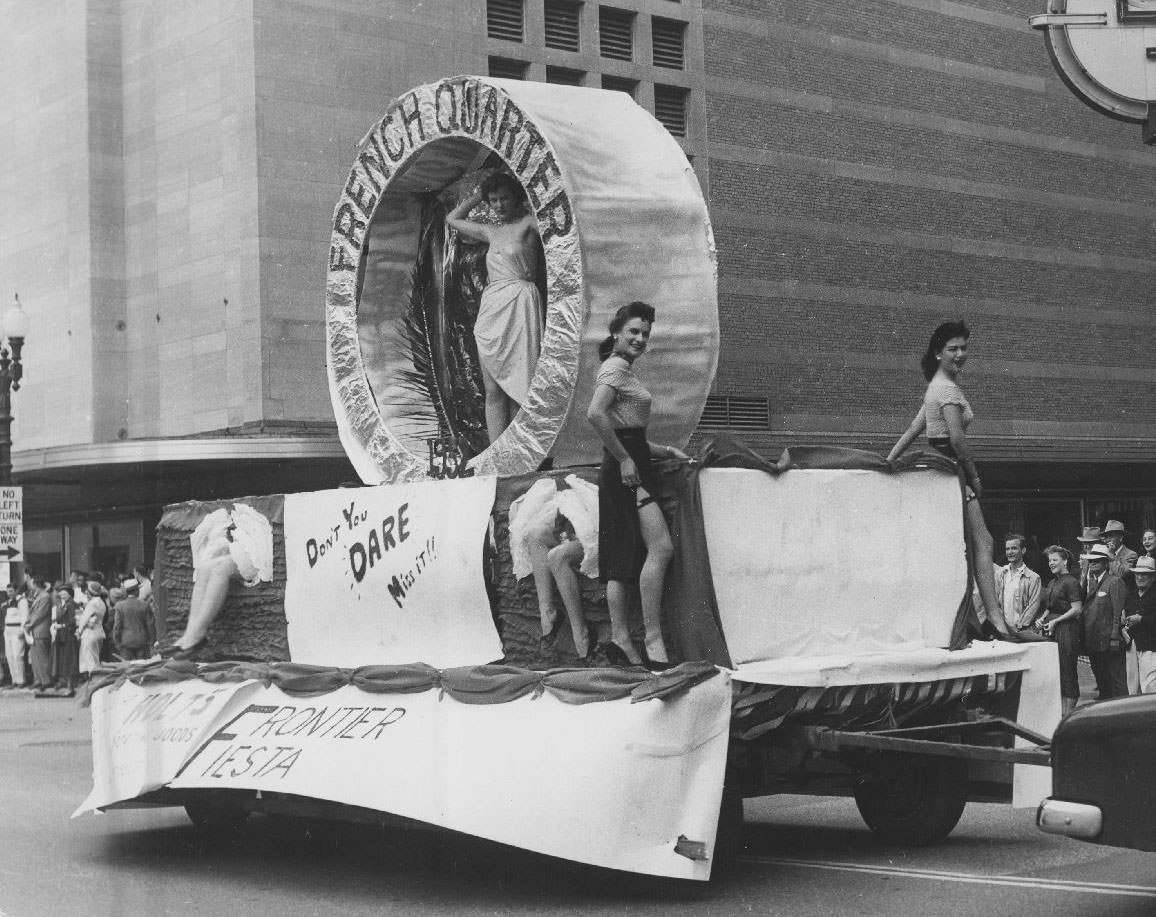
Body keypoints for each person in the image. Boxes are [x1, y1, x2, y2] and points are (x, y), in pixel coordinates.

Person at [885, 320, 1017, 638]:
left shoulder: (937, 386)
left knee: (964, 546)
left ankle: (983, 618)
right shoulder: (946, 389)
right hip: (952, 468)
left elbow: (914, 428)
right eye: (952, 349)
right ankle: (995, 619)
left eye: (964, 348)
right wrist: (975, 479)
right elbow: (957, 440)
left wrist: (888, 460)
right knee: (983, 542)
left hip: (944, 471)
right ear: (938, 353)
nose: (960, 354)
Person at [586, 301, 688, 668]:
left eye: (645, 333)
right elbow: (595, 414)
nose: (640, 338)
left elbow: (627, 430)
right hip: (625, 469)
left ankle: (621, 639)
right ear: (616, 333)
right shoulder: (614, 367)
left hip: (630, 463)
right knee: (659, 547)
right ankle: (651, 637)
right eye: (633, 332)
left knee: (623, 556)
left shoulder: (623, 370)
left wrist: (662, 451)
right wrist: (627, 458)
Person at [446, 172, 543, 444]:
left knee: (520, 384)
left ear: (517, 198)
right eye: (493, 200)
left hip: (520, 302)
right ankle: (496, 450)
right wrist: (479, 194)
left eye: (504, 199)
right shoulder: (491, 231)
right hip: (492, 305)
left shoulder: (528, 224)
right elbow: (452, 219)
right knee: (493, 388)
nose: (498, 205)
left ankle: (519, 449)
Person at [159, 502, 274, 659]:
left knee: (221, 567)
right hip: (238, 542)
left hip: (255, 546)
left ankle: (198, 632)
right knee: (205, 568)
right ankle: (191, 632)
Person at [508, 475, 600, 662]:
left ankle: (581, 633)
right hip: (569, 528)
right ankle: (547, 614)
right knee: (535, 533)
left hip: (593, 537)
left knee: (556, 556)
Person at [1038, 546, 1084, 716]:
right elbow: (1050, 607)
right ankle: (1061, 714)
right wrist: (1043, 617)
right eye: (1050, 560)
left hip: (1067, 630)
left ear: (1065, 561)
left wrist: (1056, 621)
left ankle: (1068, 715)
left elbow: (1077, 609)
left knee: (1067, 671)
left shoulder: (1071, 582)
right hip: (1052, 629)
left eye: (1055, 560)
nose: (1051, 563)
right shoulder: (1052, 582)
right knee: (1056, 671)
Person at [1080, 543, 1129, 700]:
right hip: (1094, 639)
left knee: (1114, 680)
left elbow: (1117, 612)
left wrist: (1114, 637)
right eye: (1091, 561)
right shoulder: (1090, 582)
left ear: (1106, 563)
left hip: (1108, 641)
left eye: (1097, 561)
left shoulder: (1114, 582)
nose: (1093, 563)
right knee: (1101, 679)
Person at [996, 533, 1041, 632]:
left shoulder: (1033, 577)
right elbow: (995, 602)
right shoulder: (1000, 574)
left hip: (1022, 631)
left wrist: (1019, 628)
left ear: (1023, 550)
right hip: (1003, 630)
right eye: (1007, 549)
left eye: (1014, 548)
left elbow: (1033, 606)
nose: (1010, 552)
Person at [1125, 556, 1156, 694]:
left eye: (1145, 574)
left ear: (1153, 577)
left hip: (1151, 647)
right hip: (1132, 645)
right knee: (1132, 686)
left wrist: (1142, 619)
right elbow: (1125, 615)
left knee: (1150, 686)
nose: (1140, 577)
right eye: (1138, 573)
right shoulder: (1131, 595)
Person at [112, 578, 154, 661]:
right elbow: (150, 625)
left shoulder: (119, 606)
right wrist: (151, 640)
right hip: (142, 641)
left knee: (127, 668)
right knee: (141, 667)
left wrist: (117, 642)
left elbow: (117, 626)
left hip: (126, 641)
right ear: (136, 590)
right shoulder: (144, 605)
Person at [24, 578, 53, 693]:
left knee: (42, 657)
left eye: (31, 584)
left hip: (41, 630)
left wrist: (29, 624)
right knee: (35, 657)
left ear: (36, 584)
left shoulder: (44, 596)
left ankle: (46, 681)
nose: (30, 586)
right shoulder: (39, 596)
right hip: (36, 630)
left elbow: (40, 614)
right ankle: (38, 680)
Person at [51, 584, 79, 696]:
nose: (62, 595)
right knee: (63, 660)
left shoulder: (72, 604)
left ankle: (70, 686)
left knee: (69, 660)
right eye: (61, 593)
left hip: (68, 635)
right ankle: (65, 683)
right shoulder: (60, 604)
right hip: (61, 635)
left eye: (65, 593)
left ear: (70, 594)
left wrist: (61, 626)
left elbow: (73, 621)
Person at [76, 581, 108, 679]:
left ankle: (94, 683)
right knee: (95, 660)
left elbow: (84, 619)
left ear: (90, 593)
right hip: (99, 633)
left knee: (90, 662)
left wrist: (79, 631)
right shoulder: (101, 602)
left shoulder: (92, 604)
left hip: (89, 634)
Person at [3, 583, 27, 688]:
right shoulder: (7, 603)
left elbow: (25, 617)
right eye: (8, 591)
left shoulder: (21, 601)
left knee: (18, 655)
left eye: (11, 591)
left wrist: (23, 630)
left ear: (17, 590)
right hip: (8, 631)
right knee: (10, 656)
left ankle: (21, 680)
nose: (9, 593)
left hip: (17, 630)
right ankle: (14, 680)